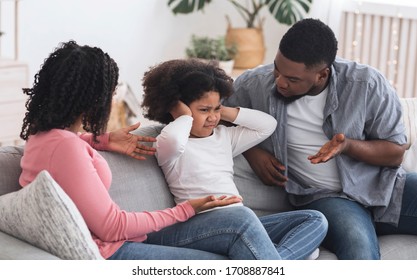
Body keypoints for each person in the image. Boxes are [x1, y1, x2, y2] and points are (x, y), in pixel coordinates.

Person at [18, 40, 309, 260]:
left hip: (118, 244)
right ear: (92, 97)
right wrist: (184, 210)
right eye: (110, 91)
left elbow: (66, 150)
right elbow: (112, 226)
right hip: (111, 252)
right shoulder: (66, 146)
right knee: (236, 247)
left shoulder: (41, 137)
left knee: (296, 228)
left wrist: (101, 140)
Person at [222, 18, 417, 260]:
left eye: (293, 79)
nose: (280, 82)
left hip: (384, 187)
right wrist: (252, 151)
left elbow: (395, 153)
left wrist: (347, 146)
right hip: (325, 198)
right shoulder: (254, 85)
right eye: (277, 69)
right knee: (359, 247)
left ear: (322, 74)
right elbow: (217, 116)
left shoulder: (366, 83)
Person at [141, 58, 328, 260]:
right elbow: (175, 140)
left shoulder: (224, 136)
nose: (212, 117)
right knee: (245, 217)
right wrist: (182, 115)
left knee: (314, 219)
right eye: (204, 110)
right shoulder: (169, 143)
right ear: (177, 109)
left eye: (216, 108)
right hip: (198, 224)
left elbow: (267, 125)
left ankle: (275, 260)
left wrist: (225, 112)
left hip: (238, 224)